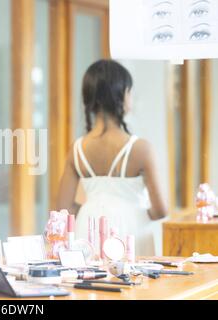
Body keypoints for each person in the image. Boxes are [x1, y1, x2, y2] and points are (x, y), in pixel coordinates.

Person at [57, 59, 167, 256]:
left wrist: (96, 209)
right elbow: (161, 210)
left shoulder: (76, 149)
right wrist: (132, 212)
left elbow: (63, 208)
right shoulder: (141, 149)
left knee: (91, 283)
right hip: (131, 231)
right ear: (122, 95)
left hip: (87, 228)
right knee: (137, 284)